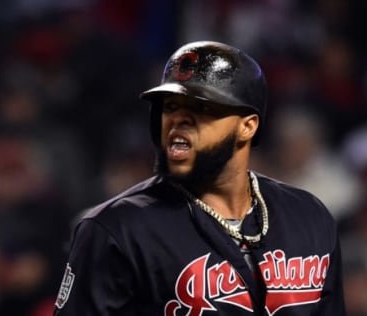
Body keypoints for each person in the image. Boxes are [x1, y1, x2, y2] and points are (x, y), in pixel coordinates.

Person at [53, 41, 346, 315]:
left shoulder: (308, 216)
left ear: (247, 126)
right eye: (170, 107)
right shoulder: (118, 228)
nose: (178, 119)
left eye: (202, 108)